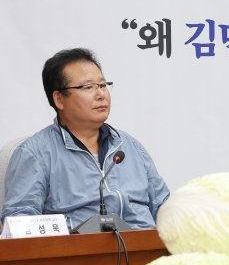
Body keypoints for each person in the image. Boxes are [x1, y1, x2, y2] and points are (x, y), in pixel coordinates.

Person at [1, 48, 169, 230]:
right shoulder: (35, 153)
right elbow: (20, 223)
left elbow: (164, 206)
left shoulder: (129, 146)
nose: (101, 95)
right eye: (88, 87)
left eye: (103, 85)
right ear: (59, 99)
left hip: (144, 244)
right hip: (80, 246)